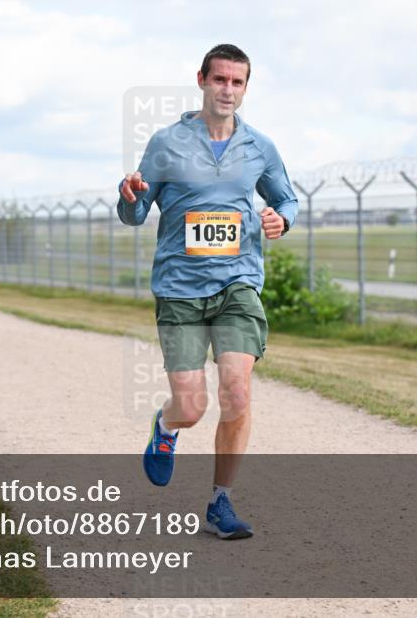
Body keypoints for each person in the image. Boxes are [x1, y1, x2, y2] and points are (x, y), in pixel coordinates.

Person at [117, 44, 297, 540]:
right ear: (201, 80)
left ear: (245, 87)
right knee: (192, 406)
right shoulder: (167, 142)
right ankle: (168, 426)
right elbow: (135, 214)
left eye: (238, 83)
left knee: (237, 390)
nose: (228, 91)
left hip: (238, 283)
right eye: (220, 80)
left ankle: (221, 502)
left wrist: (282, 219)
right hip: (180, 290)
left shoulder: (259, 146)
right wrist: (128, 196)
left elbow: (286, 197)